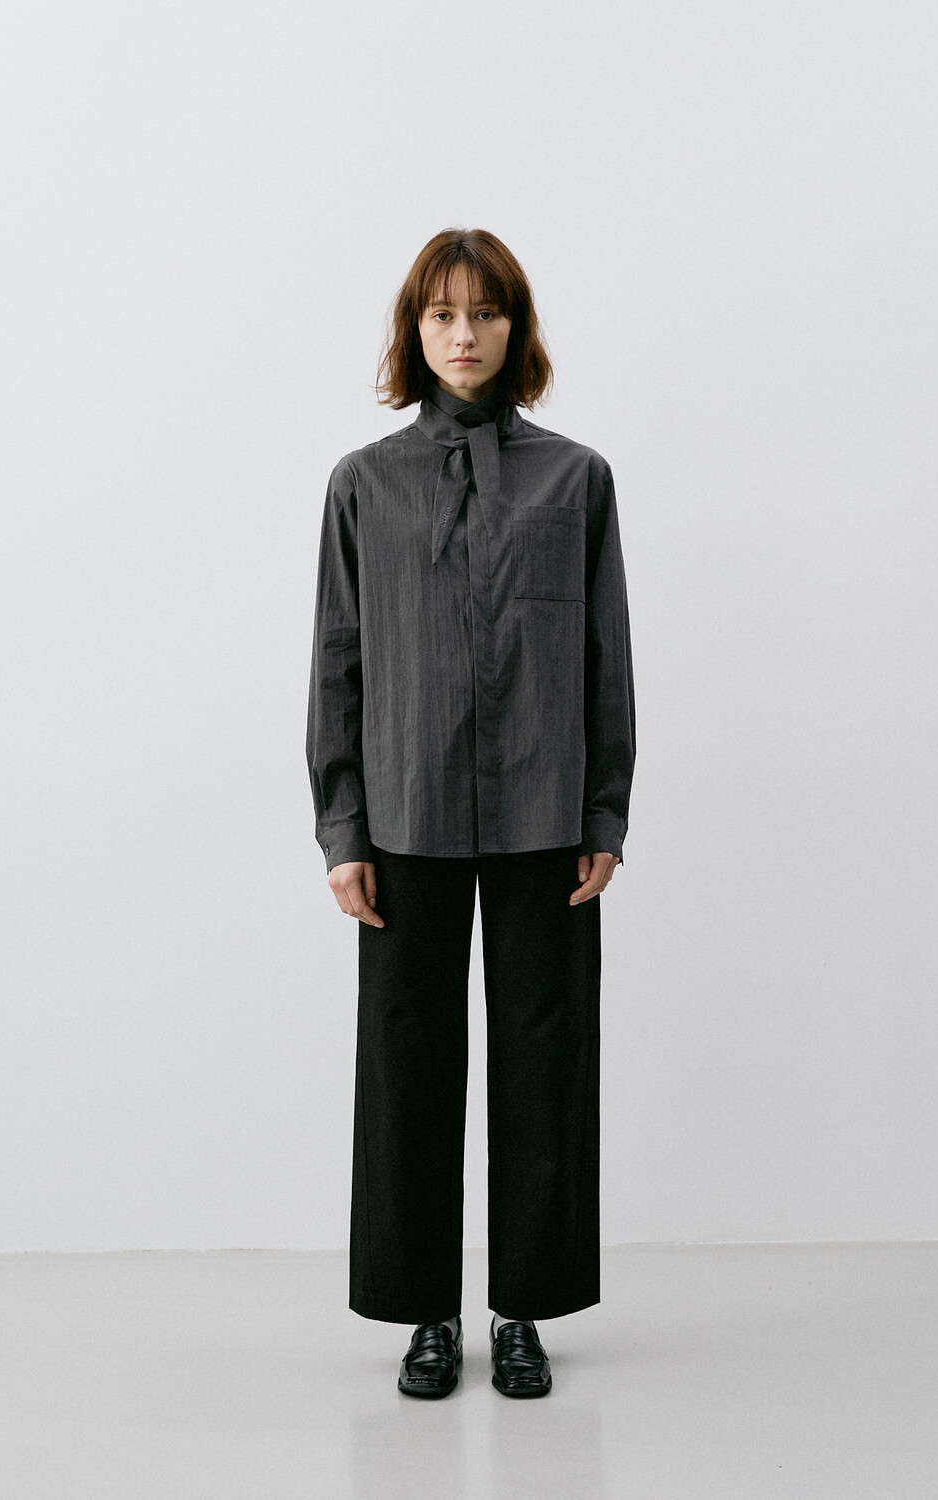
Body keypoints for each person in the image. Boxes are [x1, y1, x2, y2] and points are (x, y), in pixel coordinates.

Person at [306, 227, 636, 1399]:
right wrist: (342, 830)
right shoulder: (363, 484)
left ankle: (523, 1310)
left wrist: (605, 812)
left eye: (485, 313)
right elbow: (337, 661)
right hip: (407, 812)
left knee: (545, 1059)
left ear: (516, 328)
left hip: (548, 815)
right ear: (415, 328)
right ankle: (424, 1315)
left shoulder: (575, 480)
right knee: (407, 1064)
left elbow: (604, 658)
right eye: (441, 313)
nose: (463, 334)